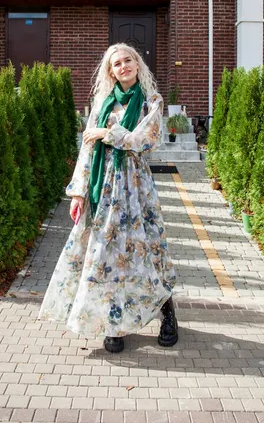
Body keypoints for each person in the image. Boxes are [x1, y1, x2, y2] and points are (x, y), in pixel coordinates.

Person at [38, 43, 177, 353]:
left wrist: (105, 134)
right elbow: (87, 150)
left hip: (135, 189)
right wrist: (78, 193)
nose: (123, 66)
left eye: (128, 60)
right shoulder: (102, 104)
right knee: (106, 257)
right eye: (117, 63)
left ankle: (168, 313)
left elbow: (145, 140)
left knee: (147, 250)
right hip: (104, 189)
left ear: (138, 65)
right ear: (111, 71)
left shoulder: (150, 102)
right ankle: (114, 323)